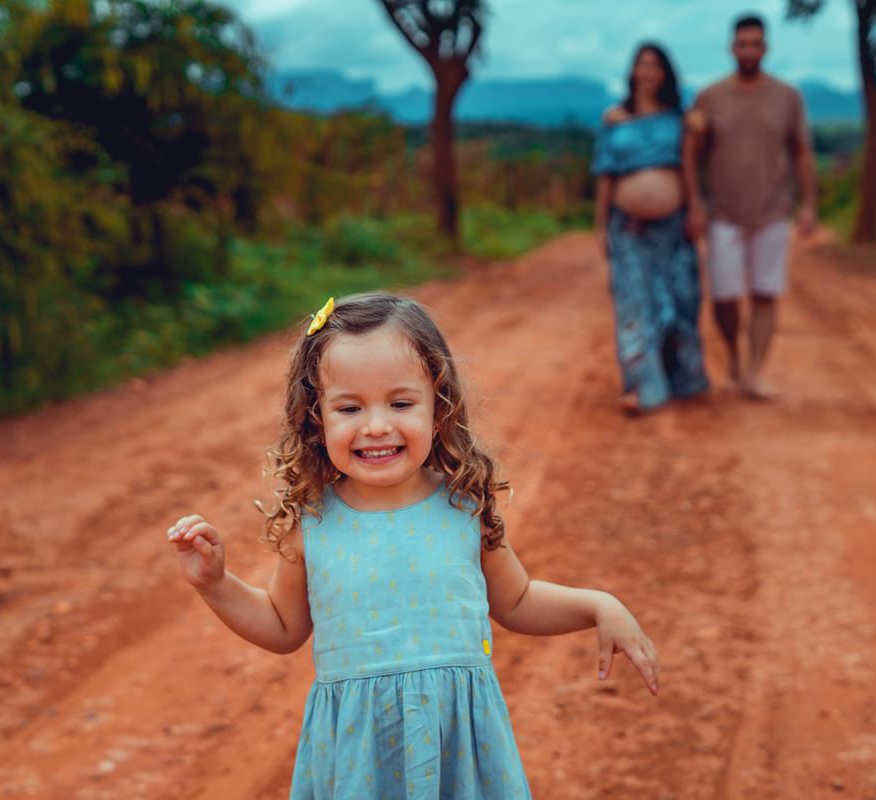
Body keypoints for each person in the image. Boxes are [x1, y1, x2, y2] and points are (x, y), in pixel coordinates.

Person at [165, 292, 661, 799]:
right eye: (350, 407)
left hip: (459, 746)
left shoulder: (464, 505)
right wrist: (215, 584)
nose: (377, 425)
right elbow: (282, 624)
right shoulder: (311, 521)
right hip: (360, 756)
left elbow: (516, 600)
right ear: (317, 418)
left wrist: (598, 605)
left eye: (401, 403)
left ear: (438, 407)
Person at [683, 13, 817, 399]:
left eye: (755, 43)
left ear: (765, 47)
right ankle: (735, 358)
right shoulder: (709, 96)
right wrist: (695, 202)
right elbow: (691, 155)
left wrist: (808, 205)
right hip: (723, 212)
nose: (749, 50)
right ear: (732, 47)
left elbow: (802, 152)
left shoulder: (787, 96)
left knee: (764, 292)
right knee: (724, 297)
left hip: (773, 209)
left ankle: (755, 371)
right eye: (742, 43)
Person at [592, 43, 710, 415]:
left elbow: (689, 166)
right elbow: (606, 172)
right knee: (635, 302)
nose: (648, 71)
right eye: (642, 64)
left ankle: (684, 379)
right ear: (632, 71)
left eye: (655, 65)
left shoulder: (680, 117)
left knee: (680, 298)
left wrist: (695, 207)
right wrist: (598, 224)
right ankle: (644, 386)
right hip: (628, 227)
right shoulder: (614, 117)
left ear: (666, 73)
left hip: (674, 226)